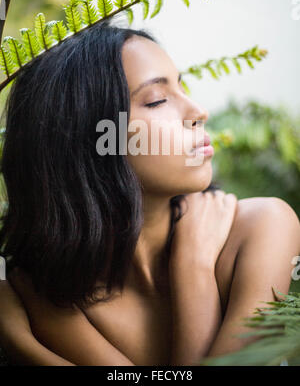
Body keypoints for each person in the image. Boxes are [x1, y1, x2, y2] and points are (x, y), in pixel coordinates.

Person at [0, 20, 299, 366]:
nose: (198, 112)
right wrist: (193, 268)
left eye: (183, 88)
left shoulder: (261, 228)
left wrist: (23, 343)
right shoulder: (49, 291)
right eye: (157, 101)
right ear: (89, 139)